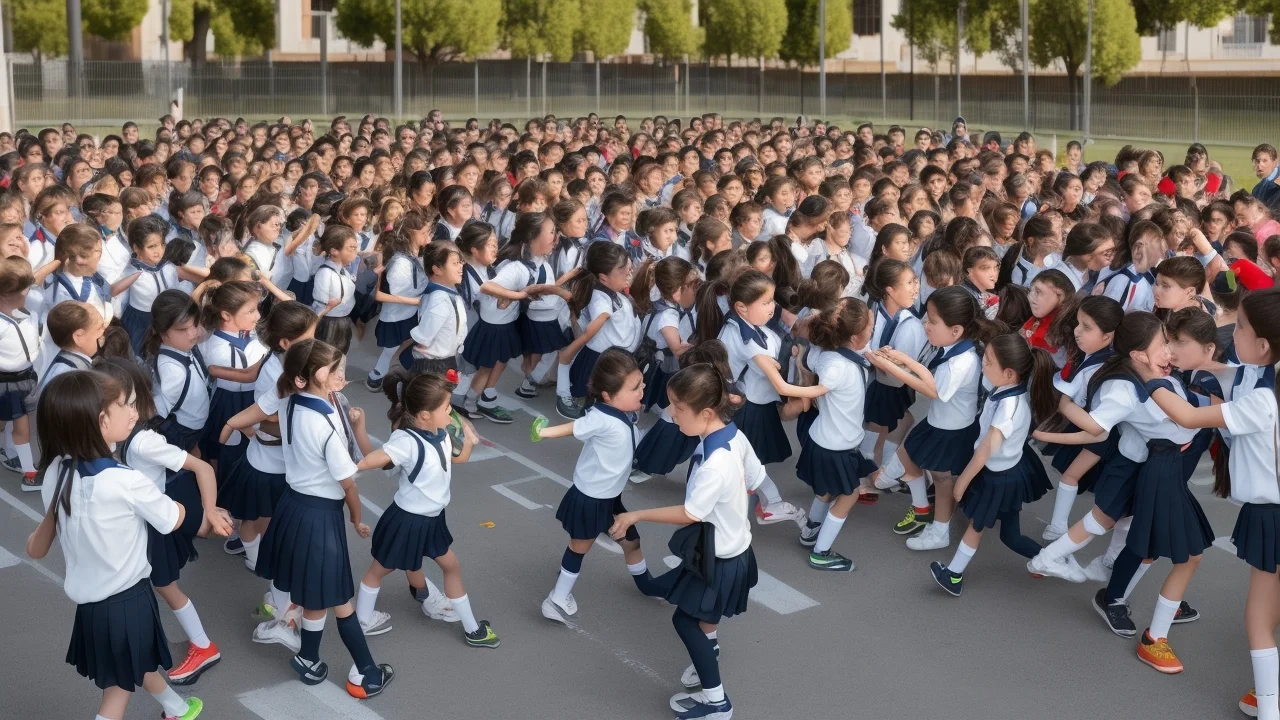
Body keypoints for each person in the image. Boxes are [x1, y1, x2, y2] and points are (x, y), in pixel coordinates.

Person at [26, 371, 208, 720]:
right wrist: (185, 504)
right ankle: (175, 709)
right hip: (127, 601)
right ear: (101, 421)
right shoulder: (125, 481)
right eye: (124, 405)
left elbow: (35, 549)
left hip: (93, 608)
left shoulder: (57, 472)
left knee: (137, 662)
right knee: (117, 692)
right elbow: (173, 519)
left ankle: (177, 708)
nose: (133, 412)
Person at [609, 362, 763, 720]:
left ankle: (717, 703)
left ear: (706, 412)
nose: (671, 413)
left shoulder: (715, 464)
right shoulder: (733, 435)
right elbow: (756, 478)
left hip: (717, 559)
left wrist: (635, 515)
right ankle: (708, 656)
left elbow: (691, 512)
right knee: (705, 617)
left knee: (685, 621)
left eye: (678, 407)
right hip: (732, 548)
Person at [251, 339, 395, 698]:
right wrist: (357, 517)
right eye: (333, 371)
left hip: (294, 507)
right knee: (340, 599)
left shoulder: (290, 401)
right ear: (305, 379)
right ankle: (367, 672)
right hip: (319, 518)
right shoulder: (323, 424)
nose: (341, 375)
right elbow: (348, 481)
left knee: (314, 596)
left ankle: (309, 659)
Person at [96, 358, 230, 686]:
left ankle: (202, 645)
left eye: (129, 403)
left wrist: (211, 510)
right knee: (144, 584)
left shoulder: (144, 441)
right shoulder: (113, 433)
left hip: (154, 523)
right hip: (135, 521)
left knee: (164, 585)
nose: (129, 412)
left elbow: (202, 467)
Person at [353, 369, 500, 647]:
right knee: (378, 571)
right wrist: (349, 462)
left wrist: (469, 442)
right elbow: (373, 459)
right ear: (424, 415)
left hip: (432, 519)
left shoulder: (440, 434)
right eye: (446, 407)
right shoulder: (406, 441)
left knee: (449, 566)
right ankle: (361, 620)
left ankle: (470, 628)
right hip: (407, 521)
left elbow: (457, 459)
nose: (451, 412)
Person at [926, 334, 1056, 595]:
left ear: (1009, 373)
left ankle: (953, 576)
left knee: (976, 525)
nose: (983, 365)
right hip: (1005, 473)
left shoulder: (1009, 406)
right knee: (1010, 536)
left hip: (998, 477)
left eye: (988, 362)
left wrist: (962, 482)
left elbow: (985, 451)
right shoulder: (1006, 388)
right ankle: (1049, 558)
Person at [869, 287, 997, 551]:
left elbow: (932, 390)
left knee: (940, 480)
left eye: (933, 321)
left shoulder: (960, 362)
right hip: (938, 423)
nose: (925, 325)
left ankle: (939, 533)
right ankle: (921, 509)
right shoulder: (953, 348)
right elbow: (928, 375)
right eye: (927, 317)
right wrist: (902, 359)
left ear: (956, 330)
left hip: (949, 431)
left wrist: (891, 365)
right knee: (909, 465)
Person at [532, 349, 655, 623]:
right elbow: (573, 428)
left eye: (641, 383)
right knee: (578, 548)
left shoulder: (620, 412)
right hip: (592, 499)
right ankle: (556, 599)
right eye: (635, 387)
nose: (642, 389)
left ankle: (647, 584)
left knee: (631, 541)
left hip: (609, 497)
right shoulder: (601, 418)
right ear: (609, 396)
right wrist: (543, 432)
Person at [796, 298, 877, 570]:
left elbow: (813, 355)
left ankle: (810, 530)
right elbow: (823, 385)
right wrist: (788, 388)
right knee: (849, 494)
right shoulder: (839, 366)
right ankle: (821, 552)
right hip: (836, 446)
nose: (873, 328)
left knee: (826, 490)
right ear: (854, 337)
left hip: (825, 439)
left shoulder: (825, 353)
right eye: (870, 326)